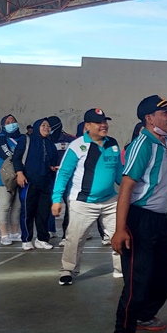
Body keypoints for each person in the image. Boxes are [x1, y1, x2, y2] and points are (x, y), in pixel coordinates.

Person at [107, 94, 167, 333]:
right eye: (165, 112)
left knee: (166, 270)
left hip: (159, 220)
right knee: (137, 280)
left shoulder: (165, 142)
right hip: (140, 220)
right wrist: (120, 228)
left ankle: (144, 315)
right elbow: (126, 186)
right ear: (149, 119)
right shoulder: (144, 144)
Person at [51, 108, 123, 285]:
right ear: (87, 126)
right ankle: (68, 270)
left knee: (119, 235)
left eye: (105, 121)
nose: (103, 125)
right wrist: (56, 199)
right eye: (99, 123)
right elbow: (64, 174)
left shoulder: (112, 144)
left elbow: (119, 172)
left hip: (110, 201)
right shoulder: (76, 146)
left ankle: (122, 269)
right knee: (75, 239)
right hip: (82, 202)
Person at [13, 118, 60, 250]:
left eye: (48, 126)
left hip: (45, 183)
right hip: (28, 182)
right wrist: (19, 173)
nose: (46, 128)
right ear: (37, 126)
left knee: (43, 212)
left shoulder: (50, 144)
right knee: (28, 211)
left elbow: (53, 162)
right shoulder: (26, 140)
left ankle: (41, 239)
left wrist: (54, 168)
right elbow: (16, 158)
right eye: (43, 125)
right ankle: (26, 239)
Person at [0, 114, 23, 245]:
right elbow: (6, 155)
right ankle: (4, 234)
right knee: (5, 205)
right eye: (8, 122)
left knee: (17, 206)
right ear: (3, 125)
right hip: (5, 177)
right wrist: (20, 161)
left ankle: (15, 232)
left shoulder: (23, 138)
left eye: (13, 121)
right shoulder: (1, 139)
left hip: (21, 176)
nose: (11, 123)